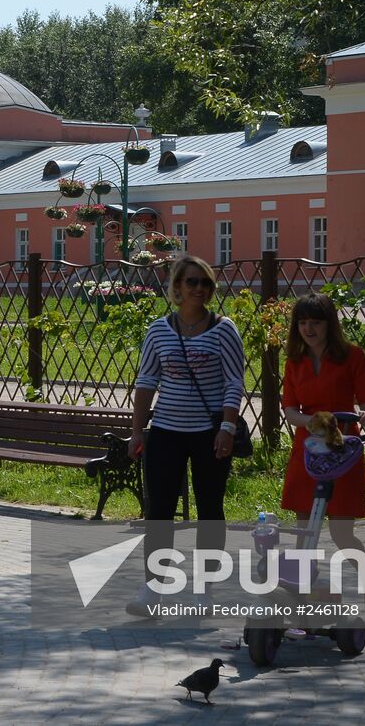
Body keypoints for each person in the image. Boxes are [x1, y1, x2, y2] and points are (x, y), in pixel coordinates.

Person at [127, 254, 245, 614]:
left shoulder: (223, 329)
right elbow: (146, 382)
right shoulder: (158, 330)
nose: (199, 289)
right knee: (159, 511)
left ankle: (204, 591)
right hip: (165, 431)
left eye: (205, 283)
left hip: (209, 433)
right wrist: (137, 431)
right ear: (176, 286)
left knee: (210, 509)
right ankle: (154, 591)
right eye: (191, 281)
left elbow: (233, 381)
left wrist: (226, 427)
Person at [280, 294, 365, 556]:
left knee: (342, 535)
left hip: (342, 449)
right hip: (308, 450)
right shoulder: (294, 361)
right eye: (302, 323)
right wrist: (311, 423)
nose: (308, 329)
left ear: (330, 324)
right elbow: (290, 411)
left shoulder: (353, 356)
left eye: (315, 322)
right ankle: (300, 586)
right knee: (303, 530)